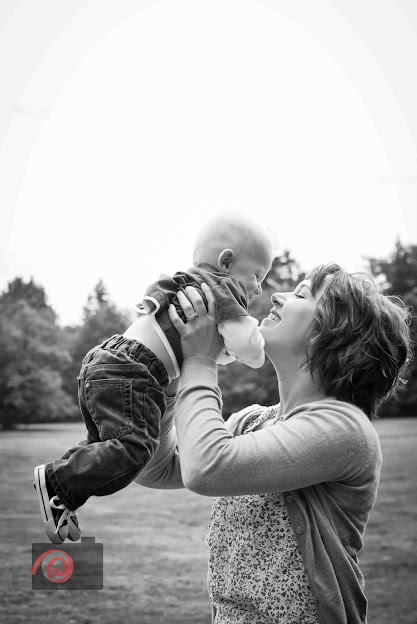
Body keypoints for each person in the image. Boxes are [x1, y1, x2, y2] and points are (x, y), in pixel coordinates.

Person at [134, 263, 412, 624]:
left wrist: (199, 360)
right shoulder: (251, 421)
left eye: (300, 294)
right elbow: (158, 469)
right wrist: (171, 372)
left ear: (336, 333)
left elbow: (205, 468)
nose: (277, 296)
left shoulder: (345, 429)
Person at [34, 211, 273, 544]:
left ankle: (62, 496)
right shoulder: (224, 288)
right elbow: (247, 346)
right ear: (227, 262)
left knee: (104, 447)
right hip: (135, 370)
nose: (259, 288)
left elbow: (207, 345)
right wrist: (260, 346)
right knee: (134, 449)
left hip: (106, 360)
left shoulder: (186, 281)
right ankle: (57, 480)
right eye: (258, 276)